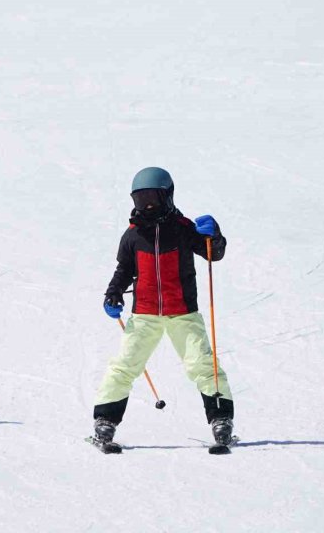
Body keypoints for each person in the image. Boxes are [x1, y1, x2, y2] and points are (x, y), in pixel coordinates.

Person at [91, 166, 235, 447]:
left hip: (183, 312)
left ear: (167, 197)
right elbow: (124, 269)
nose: (146, 206)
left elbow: (213, 253)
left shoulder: (183, 229)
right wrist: (114, 293)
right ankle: (105, 421)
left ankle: (221, 420)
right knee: (124, 366)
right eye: (140, 199)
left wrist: (214, 235)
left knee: (203, 364)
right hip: (144, 314)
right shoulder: (133, 235)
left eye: (152, 199)